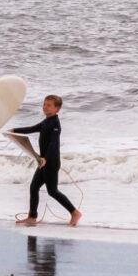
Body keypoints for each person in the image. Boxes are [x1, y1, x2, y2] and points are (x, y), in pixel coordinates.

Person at [12, 95, 81, 226]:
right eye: (44, 104)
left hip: (51, 162)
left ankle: (74, 212)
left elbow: (53, 144)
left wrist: (45, 158)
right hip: (43, 161)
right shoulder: (46, 121)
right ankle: (32, 217)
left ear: (57, 108)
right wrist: (14, 130)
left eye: (49, 105)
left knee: (52, 191)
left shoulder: (55, 124)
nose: (45, 107)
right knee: (34, 187)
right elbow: (32, 129)